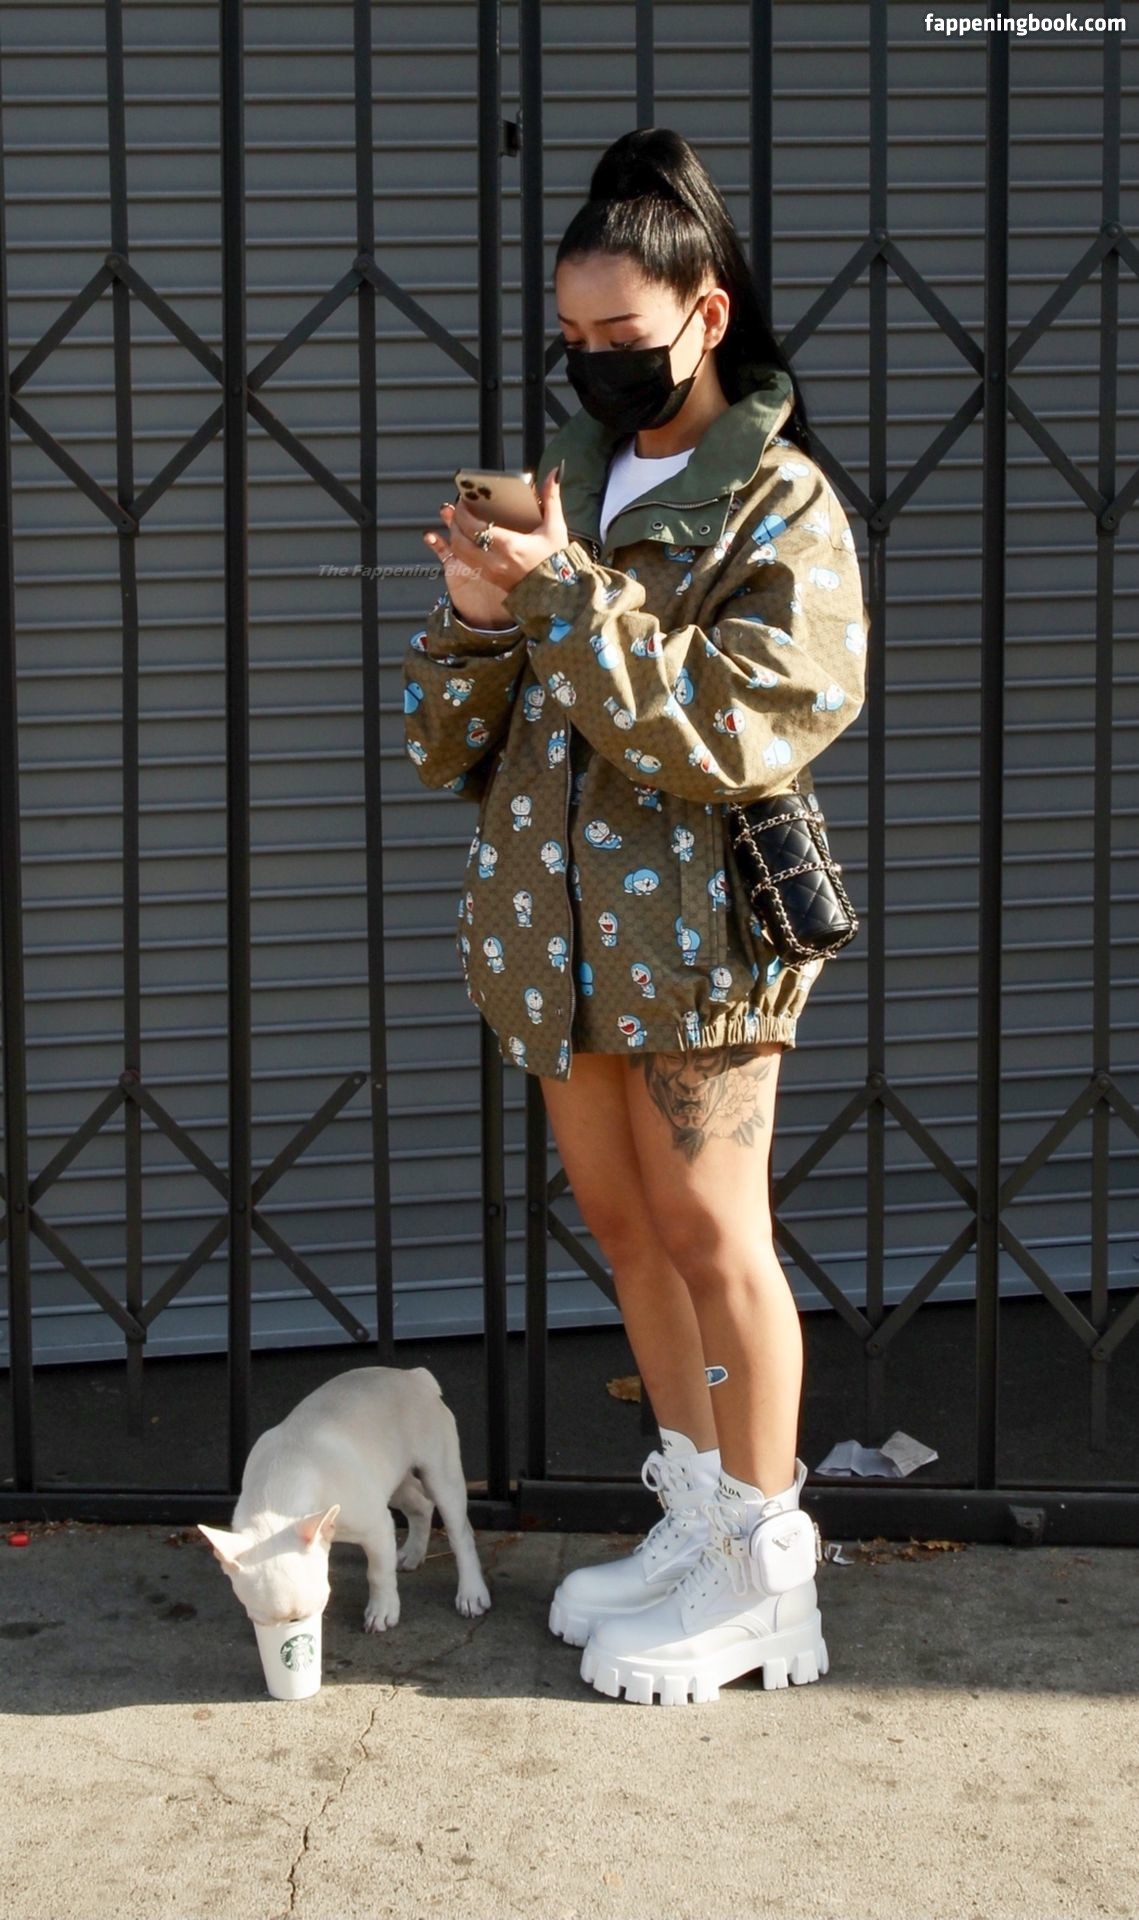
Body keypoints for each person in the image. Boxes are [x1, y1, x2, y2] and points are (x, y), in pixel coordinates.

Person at [404, 126, 869, 1706]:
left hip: (699, 940)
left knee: (713, 1236)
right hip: (557, 936)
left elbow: (733, 727)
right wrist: (477, 624)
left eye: (622, 333)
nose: (593, 360)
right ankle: (696, 1516)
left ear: (707, 314)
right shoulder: (571, 488)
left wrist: (557, 595)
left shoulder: (780, 504)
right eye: (572, 334)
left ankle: (766, 1577)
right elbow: (451, 752)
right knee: (626, 1233)